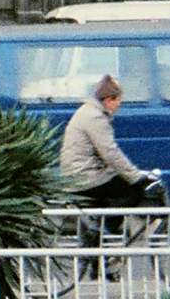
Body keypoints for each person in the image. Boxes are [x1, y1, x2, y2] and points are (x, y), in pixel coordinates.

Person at [60, 74, 157, 207]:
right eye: (118, 100)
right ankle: (107, 227)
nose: (119, 104)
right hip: (85, 178)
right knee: (133, 191)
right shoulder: (95, 117)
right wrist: (135, 177)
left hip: (79, 175)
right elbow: (110, 153)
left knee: (115, 188)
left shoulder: (87, 111)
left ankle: (101, 224)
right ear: (108, 100)